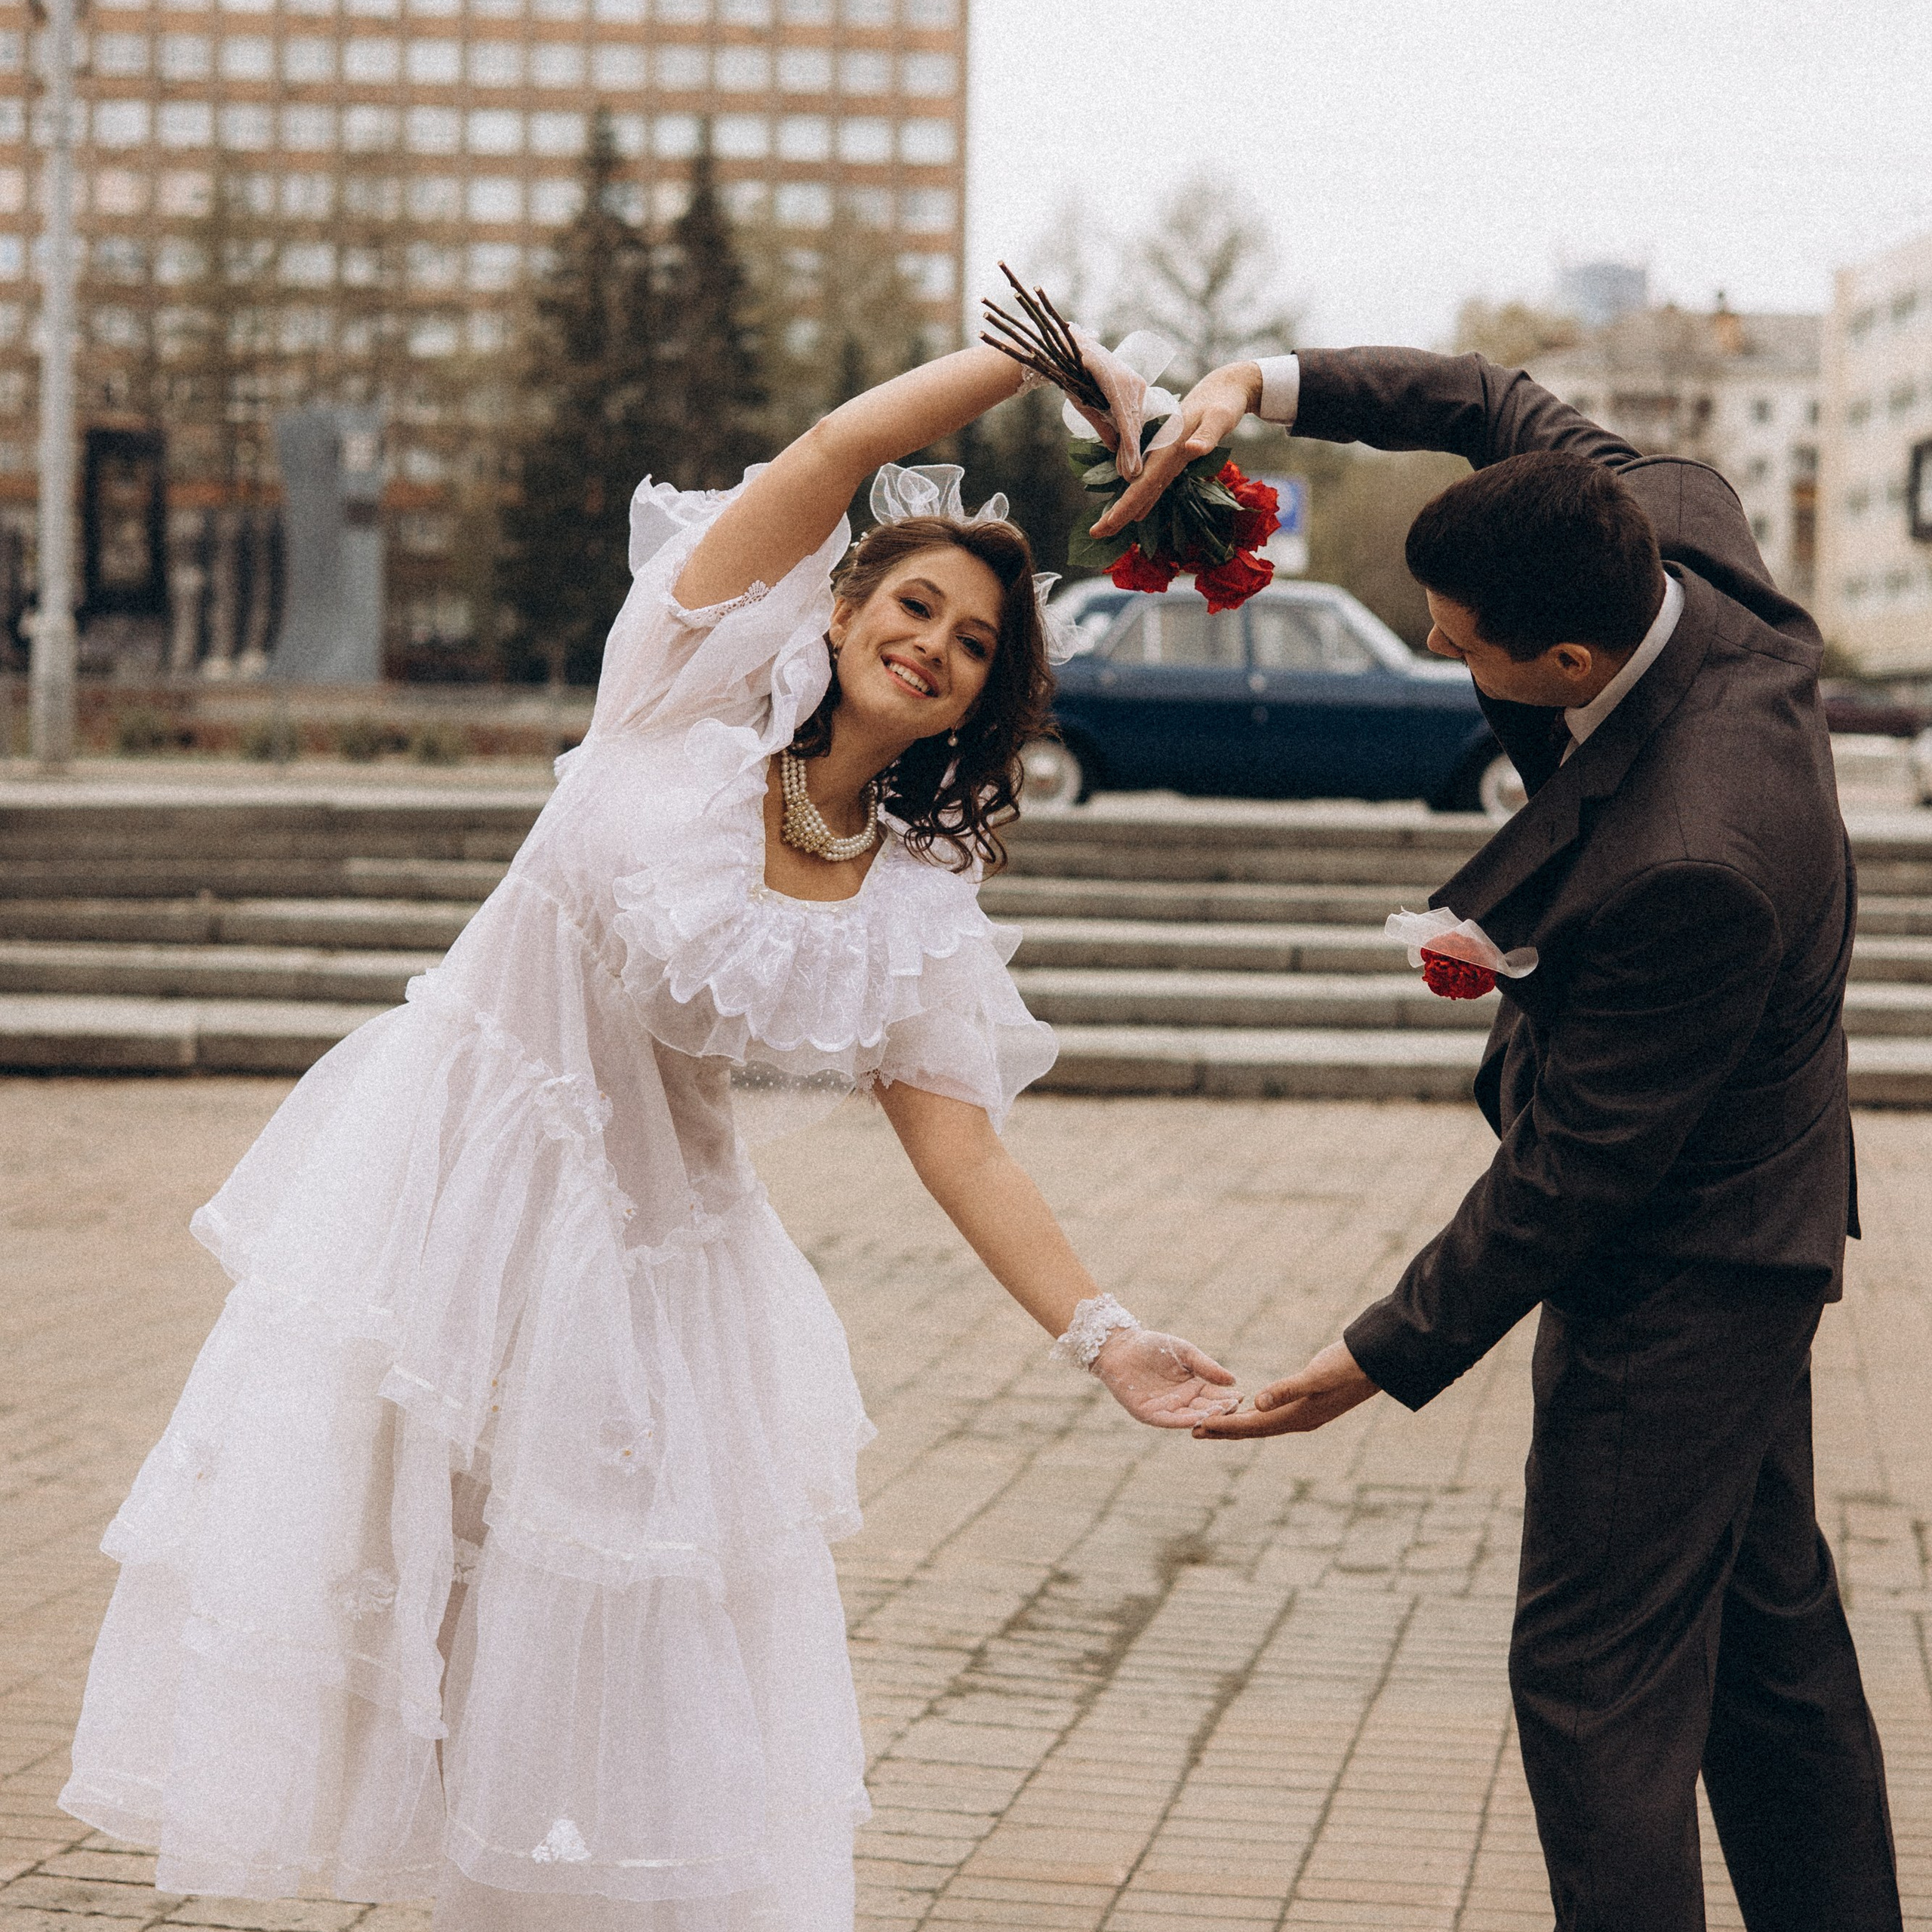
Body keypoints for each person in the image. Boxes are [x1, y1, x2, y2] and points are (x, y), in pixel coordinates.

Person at [58, 343, 1238, 1931]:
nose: (932, 646)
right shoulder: (671, 697)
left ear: (981, 694)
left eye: (971, 646)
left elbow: (965, 1149)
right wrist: (1030, 367)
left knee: (599, 1655)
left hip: (646, 1276)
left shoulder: (907, 901)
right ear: (836, 606)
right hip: (441, 1201)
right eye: (911, 607)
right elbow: (830, 447)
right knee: (401, 1592)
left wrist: (1104, 1334)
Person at [1107, 346, 1903, 1930]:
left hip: (1684, 1254)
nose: (1428, 643)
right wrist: (1254, 388)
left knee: (1591, 1674)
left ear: (1559, 653)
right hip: (1759, 1189)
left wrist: (1368, 1352)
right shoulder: (1662, 518)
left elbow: (1575, 1176)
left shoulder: (1697, 852)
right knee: (1764, 1637)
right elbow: (1489, 397)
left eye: (1454, 641)